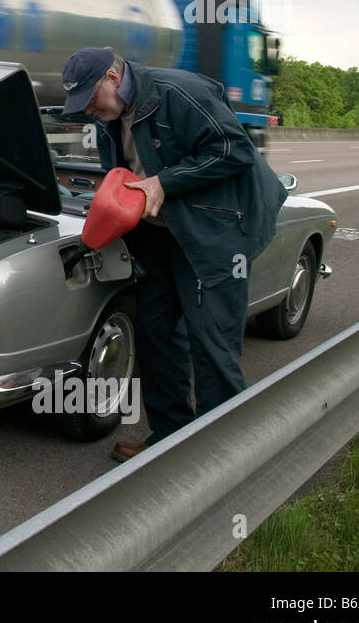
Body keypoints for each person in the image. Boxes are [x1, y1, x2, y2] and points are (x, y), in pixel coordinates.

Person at [59, 46, 287, 461]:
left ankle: (221, 456)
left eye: (91, 98)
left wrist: (166, 182)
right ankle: (170, 437)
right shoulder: (112, 113)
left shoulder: (176, 92)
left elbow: (233, 149)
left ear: (112, 77)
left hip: (214, 232)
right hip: (161, 233)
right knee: (156, 333)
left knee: (212, 344)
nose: (89, 110)